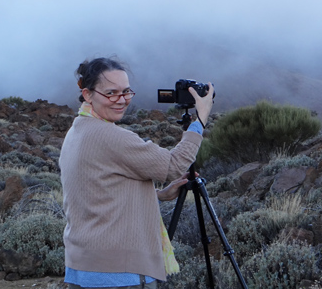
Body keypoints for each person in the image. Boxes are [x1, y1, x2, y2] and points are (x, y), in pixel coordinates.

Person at [59, 57, 214, 289]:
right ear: (88, 94)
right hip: (120, 273)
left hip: (83, 267)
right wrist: (200, 120)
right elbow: (174, 165)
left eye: (126, 92)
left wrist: (159, 195)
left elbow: (97, 189)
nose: (121, 100)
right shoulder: (111, 136)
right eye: (111, 93)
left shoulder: (77, 130)